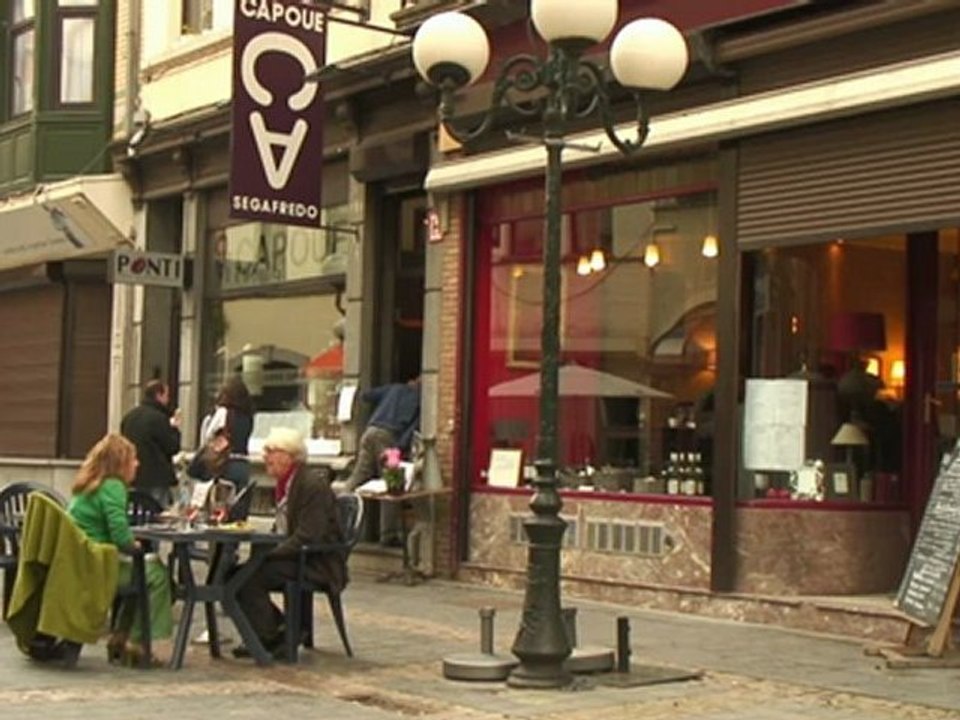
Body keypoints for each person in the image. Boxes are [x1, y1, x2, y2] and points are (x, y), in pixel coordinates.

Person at [233, 427, 346, 658]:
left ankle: (273, 636)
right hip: (295, 555)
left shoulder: (311, 485)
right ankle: (273, 631)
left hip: (315, 561)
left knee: (245, 578)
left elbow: (309, 534)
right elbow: (283, 529)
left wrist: (271, 554)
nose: (266, 457)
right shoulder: (285, 484)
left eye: (272, 451)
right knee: (231, 575)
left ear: (289, 455)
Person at [67, 433, 173, 666]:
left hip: (81, 562)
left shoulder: (86, 484)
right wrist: (135, 545)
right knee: (156, 574)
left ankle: (120, 636)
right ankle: (135, 642)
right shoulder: (113, 486)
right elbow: (120, 536)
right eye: (133, 459)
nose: (137, 464)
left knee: (141, 573)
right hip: (98, 567)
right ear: (120, 462)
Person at [334, 377, 421, 545]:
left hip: (370, 432)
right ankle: (388, 535)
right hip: (389, 436)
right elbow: (412, 429)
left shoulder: (394, 387)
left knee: (358, 475)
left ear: (410, 381)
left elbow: (367, 395)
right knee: (392, 484)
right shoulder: (419, 401)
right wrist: (398, 449)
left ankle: (336, 512)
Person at [120, 379, 181, 507]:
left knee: (136, 512)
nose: (168, 400)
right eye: (166, 396)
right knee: (157, 513)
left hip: (133, 476)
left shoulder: (129, 417)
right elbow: (172, 447)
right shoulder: (159, 418)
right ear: (159, 395)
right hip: (156, 478)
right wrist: (174, 429)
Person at [193, 376, 254, 490]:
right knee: (238, 504)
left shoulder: (223, 412)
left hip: (225, 464)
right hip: (243, 465)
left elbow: (208, 436)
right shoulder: (248, 416)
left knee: (221, 503)